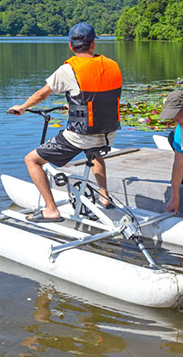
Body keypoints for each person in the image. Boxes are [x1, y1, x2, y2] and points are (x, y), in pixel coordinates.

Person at [7, 22, 122, 222]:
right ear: (93, 44)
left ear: (71, 46)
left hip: (81, 137)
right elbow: (100, 97)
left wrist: (22, 107)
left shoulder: (68, 70)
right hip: (108, 134)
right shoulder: (112, 65)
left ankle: (51, 210)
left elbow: (42, 94)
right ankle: (104, 195)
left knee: (31, 160)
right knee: (93, 152)